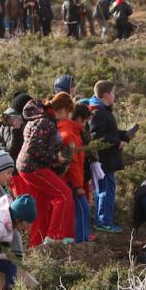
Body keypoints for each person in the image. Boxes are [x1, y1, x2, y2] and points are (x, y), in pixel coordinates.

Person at [17, 96, 74, 246]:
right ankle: (55, 236)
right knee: (64, 195)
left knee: (41, 207)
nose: (68, 118)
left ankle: (37, 244)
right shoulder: (45, 122)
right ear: (62, 110)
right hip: (34, 168)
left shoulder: (41, 117)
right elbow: (33, 148)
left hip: (26, 167)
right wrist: (56, 158)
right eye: (68, 113)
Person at [89, 80, 134, 233]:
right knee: (106, 190)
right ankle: (103, 222)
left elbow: (107, 132)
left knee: (106, 189)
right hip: (104, 160)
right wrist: (117, 142)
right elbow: (96, 136)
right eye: (113, 93)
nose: (115, 96)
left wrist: (124, 135)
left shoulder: (102, 109)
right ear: (106, 95)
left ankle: (104, 220)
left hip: (106, 159)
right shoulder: (98, 111)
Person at [56, 98, 91, 243]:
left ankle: (80, 241)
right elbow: (73, 164)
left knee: (79, 212)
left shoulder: (71, 132)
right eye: (85, 121)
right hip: (70, 181)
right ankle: (80, 244)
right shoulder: (69, 134)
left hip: (70, 180)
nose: (85, 125)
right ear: (80, 119)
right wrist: (78, 186)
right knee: (82, 212)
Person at [0, 91, 32, 163]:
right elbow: (10, 150)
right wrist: (16, 132)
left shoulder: (10, 117)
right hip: (15, 166)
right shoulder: (11, 121)